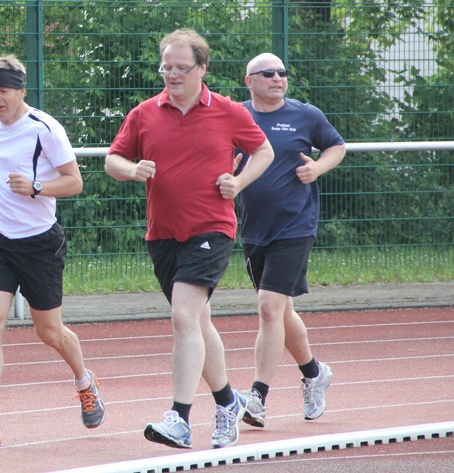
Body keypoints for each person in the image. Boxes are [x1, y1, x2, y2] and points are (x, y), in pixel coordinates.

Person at [105, 29, 274, 450]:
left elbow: (265, 151)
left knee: (183, 316)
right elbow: (112, 160)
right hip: (162, 233)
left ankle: (179, 418)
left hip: (212, 227)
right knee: (197, 322)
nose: (173, 75)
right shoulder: (144, 113)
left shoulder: (228, 111)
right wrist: (133, 170)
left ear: (202, 68)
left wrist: (238, 181)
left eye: (182, 68)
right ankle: (227, 402)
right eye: (167, 67)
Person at [0, 55, 105, 447]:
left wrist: (36, 186)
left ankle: (85, 382)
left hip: (40, 243)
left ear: (21, 90)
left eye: (3, 91)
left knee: (49, 331)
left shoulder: (45, 128)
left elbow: (74, 182)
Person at [236, 53, 346, 428]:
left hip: (295, 226)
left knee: (268, 307)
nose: (277, 78)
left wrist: (317, 167)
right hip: (253, 229)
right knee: (281, 312)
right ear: (249, 80)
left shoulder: (306, 115)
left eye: (282, 73)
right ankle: (314, 373)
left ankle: (257, 398)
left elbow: (336, 146)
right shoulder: (236, 116)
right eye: (268, 74)